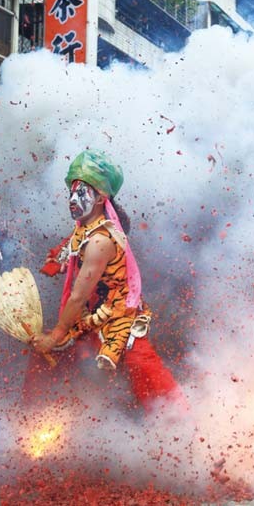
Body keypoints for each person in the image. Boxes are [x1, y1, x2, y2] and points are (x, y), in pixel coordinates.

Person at [29, 149, 182, 412]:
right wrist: (60, 259)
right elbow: (71, 250)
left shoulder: (101, 240)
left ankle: (181, 426)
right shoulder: (85, 230)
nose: (73, 199)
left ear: (100, 198)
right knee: (44, 359)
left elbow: (77, 296)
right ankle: (34, 417)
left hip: (118, 319)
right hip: (91, 316)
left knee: (147, 374)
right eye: (72, 192)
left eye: (82, 193)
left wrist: (54, 336)